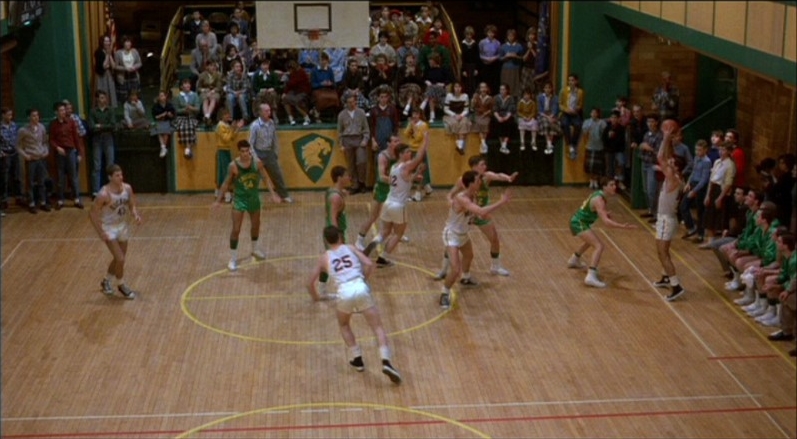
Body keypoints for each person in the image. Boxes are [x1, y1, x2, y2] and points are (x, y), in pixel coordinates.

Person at [306, 225, 402, 384]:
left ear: (326, 240)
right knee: (377, 327)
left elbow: (309, 283)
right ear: (340, 236)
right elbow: (370, 264)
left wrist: (316, 297)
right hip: (360, 286)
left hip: (343, 292)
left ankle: (357, 358)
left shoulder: (324, 258)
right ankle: (386, 361)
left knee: (344, 325)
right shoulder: (350, 247)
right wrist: (363, 279)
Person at [438, 170, 512, 309]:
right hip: (452, 234)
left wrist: (479, 217)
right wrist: (501, 202)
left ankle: (466, 278)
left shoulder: (474, 195)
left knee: (469, 255)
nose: (480, 182)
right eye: (478, 180)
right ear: (470, 184)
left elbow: (476, 214)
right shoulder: (461, 198)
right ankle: (444, 292)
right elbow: (481, 211)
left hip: (463, 233)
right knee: (455, 269)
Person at [435, 155, 517, 280]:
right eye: (482, 164)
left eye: (485, 164)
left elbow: (498, 175)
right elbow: (450, 194)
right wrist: (451, 203)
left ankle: (495, 266)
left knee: (494, 238)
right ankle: (444, 270)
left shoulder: (486, 176)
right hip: (467, 213)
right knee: (452, 242)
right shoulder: (465, 180)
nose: (485, 167)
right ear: (474, 166)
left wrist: (508, 178)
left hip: (480, 213)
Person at [212, 140, 280, 271]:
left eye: (247, 151)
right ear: (239, 152)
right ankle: (233, 258)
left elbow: (266, 178)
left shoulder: (257, 163)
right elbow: (226, 183)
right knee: (236, 229)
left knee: (256, 226)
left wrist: (273, 194)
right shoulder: (233, 166)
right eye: (242, 151)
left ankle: (254, 249)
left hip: (254, 198)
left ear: (249, 150)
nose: (245, 153)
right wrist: (218, 200)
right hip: (239, 200)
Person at [366, 141, 428, 267]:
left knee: (384, 232)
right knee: (398, 234)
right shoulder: (405, 166)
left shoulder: (394, 167)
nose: (410, 154)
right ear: (400, 154)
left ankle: (369, 248)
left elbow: (406, 179)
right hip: (399, 205)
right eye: (407, 152)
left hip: (388, 203)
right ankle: (383, 258)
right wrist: (425, 142)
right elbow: (418, 158)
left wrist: (416, 174)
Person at [567, 177, 637, 288]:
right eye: (611, 185)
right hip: (579, 223)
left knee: (590, 241)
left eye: (615, 184)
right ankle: (591, 275)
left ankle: (574, 259)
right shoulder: (599, 200)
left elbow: (594, 209)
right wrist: (622, 226)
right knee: (599, 246)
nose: (614, 187)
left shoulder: (599, 195)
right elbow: (606, 222)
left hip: (579, 221)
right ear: (604, 187)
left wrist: (604, 213)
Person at [88, 164, 142, 300]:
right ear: (110, 177)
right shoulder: (103, 194)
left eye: (121, 174)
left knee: (119, 259)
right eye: (117, 175)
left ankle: (106, 281)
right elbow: (92, 214)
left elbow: (132, 204)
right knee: (120, 258)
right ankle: (121, 284)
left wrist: (135, 214)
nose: (121, 177)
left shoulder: (127, 188)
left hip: (123, 226)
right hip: (109, 228)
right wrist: (100, 232)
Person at [650, 122, 687, 301]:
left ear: (676, 168)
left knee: (663, 253)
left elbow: (659, 156)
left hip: (667, 219)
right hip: (667, 218)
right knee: (661, 252)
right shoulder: (676, 177)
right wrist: (669, 142)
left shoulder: (673, 178)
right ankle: (666, 277)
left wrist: (665, 137)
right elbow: (665, 157)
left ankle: (676, 286)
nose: (668, 163)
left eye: (671, 163)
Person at [355, 134, 399, 251]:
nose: (398, 143)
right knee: (373, 216)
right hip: (382, 189)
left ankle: (397, 233)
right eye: (395, 141)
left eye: (398, 141)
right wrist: (398, 181)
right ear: (389, 143)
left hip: (393, 189)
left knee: (395, 214)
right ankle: (359, 239)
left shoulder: (399, 154)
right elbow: (381, 177)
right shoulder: (383, 156)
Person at [317, 166, 352, 295]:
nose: (349, 178)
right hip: (334, 233)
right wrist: (337, 239)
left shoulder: (331, 191)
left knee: (330, 260)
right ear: (339, 178)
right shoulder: (336, 198)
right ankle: (329, 289)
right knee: (337, 262)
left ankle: (322, 288)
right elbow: (333, 218)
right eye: (346, 175)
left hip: (332, 231)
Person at [249, 103, 293, 203]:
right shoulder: (255, 126)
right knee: (253, 177)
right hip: (258, 153)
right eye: (266, 111)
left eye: (269, 110)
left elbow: (274, 138)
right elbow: (250, 143)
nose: (269, 113)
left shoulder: (272, 123)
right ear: (260, 112)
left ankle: (284, 195)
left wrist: (275, 152)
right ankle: (249, 197)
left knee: (277, 175)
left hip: (269, 152)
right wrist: (255, 157)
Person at [50, 101, 85, 210]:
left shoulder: (71, 122)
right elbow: (51, 139)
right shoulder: (53, 124)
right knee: (60, 177)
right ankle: (60, 200)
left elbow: (76, 138)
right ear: (56, 112)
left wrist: (79, 153)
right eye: (61, 110)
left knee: (73, 176)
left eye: (64, 110)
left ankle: (76, 199)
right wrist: (57, 147)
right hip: (60, 153)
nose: (63, 112)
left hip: (71, 151)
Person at [16, 108, 51, 213]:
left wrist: (46, 151)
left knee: (42, 181)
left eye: (37, 115)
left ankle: (43, 202)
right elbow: (18, 146)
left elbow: (45, 142)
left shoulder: (42, 127)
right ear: (29, 117)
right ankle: (31, 203)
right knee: (30, 182)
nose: (36, 118)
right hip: (31, 159)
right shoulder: (23, 130)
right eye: (33, 116)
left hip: (41, 158)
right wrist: (25, 155)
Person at [337, 93, 371, 193]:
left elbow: (366, 129)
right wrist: (341, 144)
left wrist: (365, 140)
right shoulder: (341, 115)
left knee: (361, 161)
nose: (352, 104)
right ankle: (354, 185)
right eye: (350, 102)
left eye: (353, 102)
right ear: (346, 103)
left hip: (359, 139)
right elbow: (339, 131)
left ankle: (362, 182)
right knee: (350, 164)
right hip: (347, 140)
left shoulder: (361, 112)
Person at [88, 90, 117, 198]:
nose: (103, 100)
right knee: (97, 166)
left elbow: (112, 125)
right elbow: (92, 127)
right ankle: (95, 191)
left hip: (108, 139)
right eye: (101, 98)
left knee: (110, 165)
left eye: (104, 98)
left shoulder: (110, 110)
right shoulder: (93, 111)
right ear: (97, 99)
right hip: (97, 140)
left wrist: (99, 126)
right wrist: (104, 126)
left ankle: (111, 189)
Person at [214, 107, 244, 203]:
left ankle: (219, 192)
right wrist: (232, 128)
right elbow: (226, 138)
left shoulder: (226, 126)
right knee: (224, 173)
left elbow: (232, 137)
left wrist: (237, 128)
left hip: (227, 150)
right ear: (222, 116)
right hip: (222, 151)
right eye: (226, 114)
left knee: (226, 172)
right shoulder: (220, 126)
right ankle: (226, 193)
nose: (228, 116)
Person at [173, 78, 201, 159]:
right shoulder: (178, 97)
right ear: (181, 86)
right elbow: (176, 110)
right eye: (185, 83)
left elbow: (198, 109)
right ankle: (188, 149)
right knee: (182, 127)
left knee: (191, 126)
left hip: (192, 117)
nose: (187, 85)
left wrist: (191, 108)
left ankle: (187, 149)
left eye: (188, 83)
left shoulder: (195, 95)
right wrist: (184, 110)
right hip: (182, 117)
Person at [442, 82, 471, 155]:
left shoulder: (465, 96)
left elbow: (466, 110)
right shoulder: (449, 96)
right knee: (454, 123)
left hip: (461, 115)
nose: (457, 89)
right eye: (456, 87)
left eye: (459, 87)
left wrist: (461, 115)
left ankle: (459, 146)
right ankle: (459, 145)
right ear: (453, 88)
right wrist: (454, 115)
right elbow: (446, 109)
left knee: (464, 123)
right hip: (450, 115)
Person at [93, 34, 117, 108]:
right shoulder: (98, 52)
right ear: (102, 42)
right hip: (102, 76)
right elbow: (104, 66)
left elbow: (113, 66)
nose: (107, 43)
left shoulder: (109, 52)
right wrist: (107, 54)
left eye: (108, 41)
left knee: (110, 92)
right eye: (105, 41)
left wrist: (109, 54)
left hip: (109, 75)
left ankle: (110, 109)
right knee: (102, 92)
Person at [150, 90, 175, 159]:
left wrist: (170, 115)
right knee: (158, 129)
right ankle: (163, 147)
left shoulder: (169, 105)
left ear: (165, 97)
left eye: (163, 96)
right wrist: (161, 115)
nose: (162, 97)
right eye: (160, 96)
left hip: (168, 122)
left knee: (165, 130)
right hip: (159, 122)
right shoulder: (155, 106)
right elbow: (155, 117)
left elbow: (173, 116)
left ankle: (163, 147)